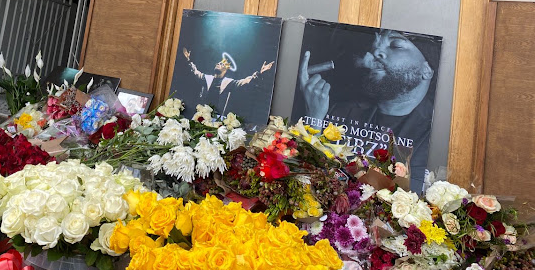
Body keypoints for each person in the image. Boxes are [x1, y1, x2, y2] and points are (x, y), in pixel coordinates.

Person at [299, 29, 437, 191]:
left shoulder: (434, 136)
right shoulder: (339, 111)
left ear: (426, 70)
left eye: (396, 45)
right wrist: (314, 119)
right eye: (374, 46)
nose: (376, 52)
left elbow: (405, 199)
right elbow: (307, 184)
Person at [182, 48, 274, 116]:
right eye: (217, 63)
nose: (218, 64)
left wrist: (260, 73)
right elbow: (195, 72)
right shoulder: (207, 78)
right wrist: (188, 60)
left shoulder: (228, 83)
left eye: (221, 64)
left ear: (225, 70)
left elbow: (245, 81)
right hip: (202, 114)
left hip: (218, 116)